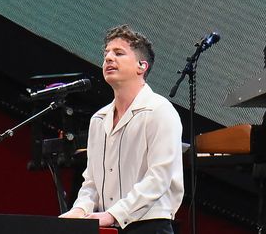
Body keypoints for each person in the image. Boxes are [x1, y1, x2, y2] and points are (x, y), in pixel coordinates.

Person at [59, 24, 184, 234]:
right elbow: (91, 181)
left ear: (141, 66)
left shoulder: (159, 110)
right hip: (106, 226)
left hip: (149, 226)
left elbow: (158, 178)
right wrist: (79, 209)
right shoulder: (99, 119)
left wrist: (113, 214)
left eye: (118, 53)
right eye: (106, 53)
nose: (108, 58)